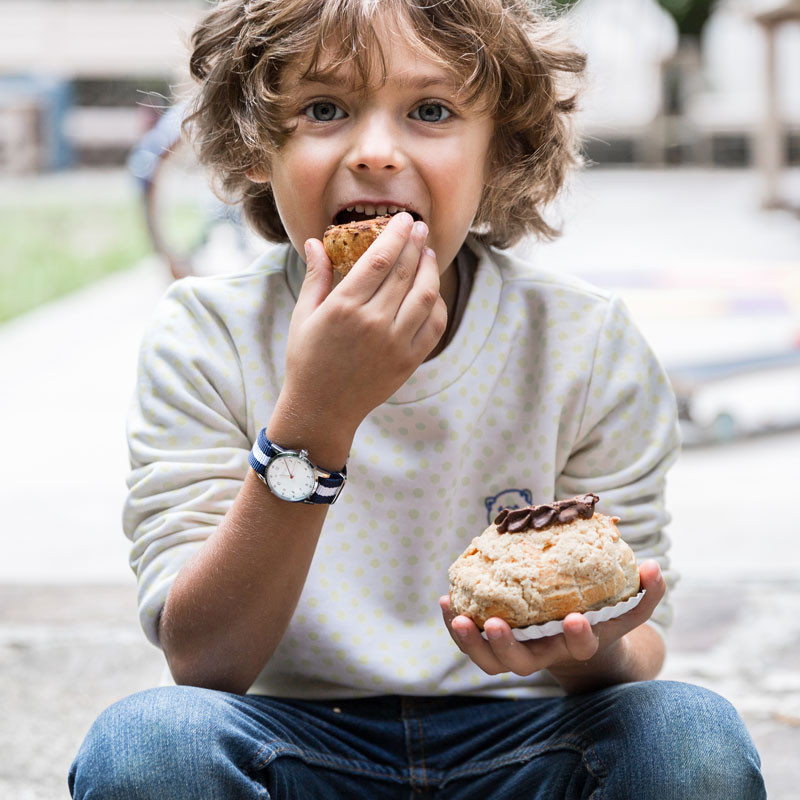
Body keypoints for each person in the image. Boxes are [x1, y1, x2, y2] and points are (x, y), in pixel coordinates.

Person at [69, 0, 765, 797]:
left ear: (499, 151)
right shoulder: (205, 336)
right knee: (146, 744)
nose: (374, 152)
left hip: (524, 743)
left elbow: (638, 656)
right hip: (291, 744)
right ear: (258, 143)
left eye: (430, 110)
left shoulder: (583, 343)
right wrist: (316, 419)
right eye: (323, 108)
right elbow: (203, 661)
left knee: (688, 734)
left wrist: (586, 645)